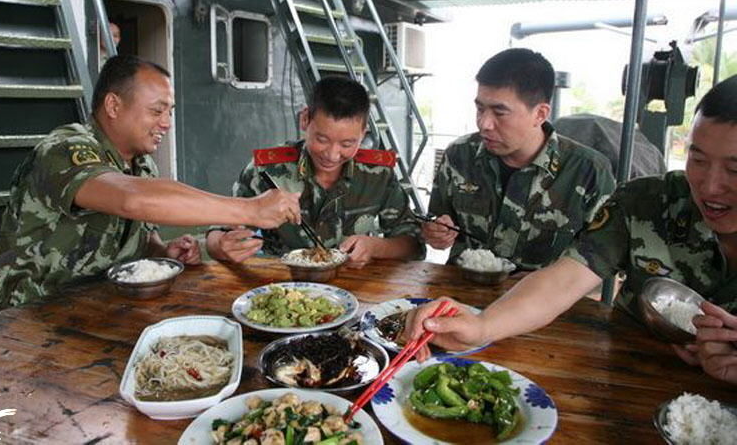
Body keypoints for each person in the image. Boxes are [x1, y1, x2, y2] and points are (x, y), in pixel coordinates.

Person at [404, 75, 737, 385]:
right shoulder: (647, 202)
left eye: (735, 168)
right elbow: (567, 278)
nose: (710, 185)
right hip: (627, 381)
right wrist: (482, 326)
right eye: (698, 159)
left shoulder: (587, 168)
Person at [0, 55, 301, 315]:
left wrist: (168, 252)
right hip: (22, 320)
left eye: (169, 112)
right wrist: (250, 209)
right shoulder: (65, 148)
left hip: (90, 311)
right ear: (114, 106)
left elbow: (140, 238)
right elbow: (129, 199)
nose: (166, 123)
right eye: (157, 111)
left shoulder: (141, 164)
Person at [424, 48, 615, 269]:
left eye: (499, 112)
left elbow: (600, 262)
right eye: (480, 109)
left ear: (540, 114)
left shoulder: (588, 171)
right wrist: (435, 232)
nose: (484, 123)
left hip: (543, 301)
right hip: (462, 293)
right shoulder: (459, 155)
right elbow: (436, 219)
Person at [205, 76, 424, 266]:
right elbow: (219, 233)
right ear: (304, 119)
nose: (332, 155)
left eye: (347, 144)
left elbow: (413, 245)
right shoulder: (266, 171)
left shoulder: (378, 175)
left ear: (363, 133)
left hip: (356, 287)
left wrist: (375, 247)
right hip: (282, 287)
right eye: (322, 139)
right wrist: (222, 246)